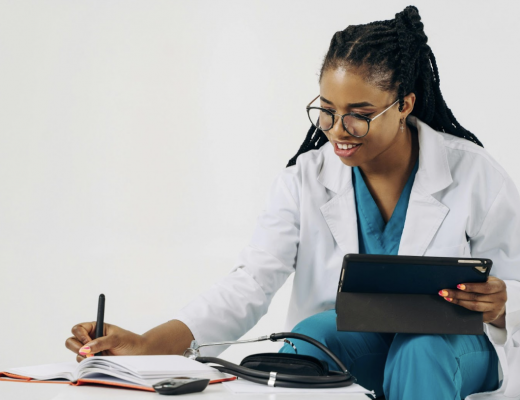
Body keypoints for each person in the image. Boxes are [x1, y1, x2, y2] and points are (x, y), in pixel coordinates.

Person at [65, 6, 520, 400]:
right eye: (327, 110)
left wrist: (503, 303)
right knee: (313, 335)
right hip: (367, 341)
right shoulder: (306, 178)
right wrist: (147, 343)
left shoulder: (475, 175)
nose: (338, 130)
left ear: (404, 105)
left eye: (359, 116)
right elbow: (249, 285)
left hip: (459, 346)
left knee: (420, 347)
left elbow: (515, 283)